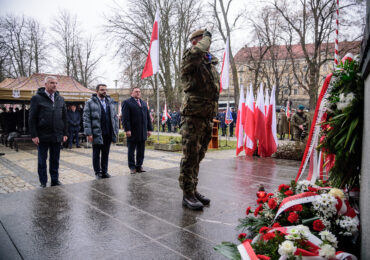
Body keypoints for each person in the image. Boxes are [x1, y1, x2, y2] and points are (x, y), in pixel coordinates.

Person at [179, 29, 220, 210]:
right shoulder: (191, 57)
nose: (207, 43)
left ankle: (193, 189)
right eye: (204, 40)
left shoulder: (209, 63)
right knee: (190, 156)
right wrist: (206, 39)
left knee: (199, 155)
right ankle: (187, 194)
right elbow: (197, 52)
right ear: (196, 41)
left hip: (206, 116)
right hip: (193, 116)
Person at [29, 76, 68, 188]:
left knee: (55, 160)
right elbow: (32, 118)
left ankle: (55, 180)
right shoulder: (37, 98)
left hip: (56, 135)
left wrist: (65, 133)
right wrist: (34, 135)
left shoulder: (60, 99)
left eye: (56, 83)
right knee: (42, 161)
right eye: (52, 83)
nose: (54, 85)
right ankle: (43, 182)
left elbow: (65, 118)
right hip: (42, 136)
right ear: (45, 84)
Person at [83, 84, 118, 179]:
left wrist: (115, 131)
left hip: (108, 132)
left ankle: (104, 171)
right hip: (96, 133)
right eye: (102, 90)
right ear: (97, 91)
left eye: (105, 89)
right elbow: (86, 119)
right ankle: (97, 172)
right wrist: (89, 133)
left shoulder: (110, 102)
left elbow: (114, 117)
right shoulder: (90, 102)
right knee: (96, 154)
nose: (104, 91)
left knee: (105, 153)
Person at [121, 87, 153, 174]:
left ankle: (139, 166)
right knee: (131, 150)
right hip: (132, 131)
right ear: (132, 93)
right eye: (136, 91)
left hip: (142, 131)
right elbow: (125, 118)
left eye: (139, 91)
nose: (138, 93)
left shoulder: (143, 103)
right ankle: (132, 167)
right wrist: (127, 129)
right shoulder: (127, 103)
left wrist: (149, 129)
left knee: (141, 150)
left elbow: (147, 117)